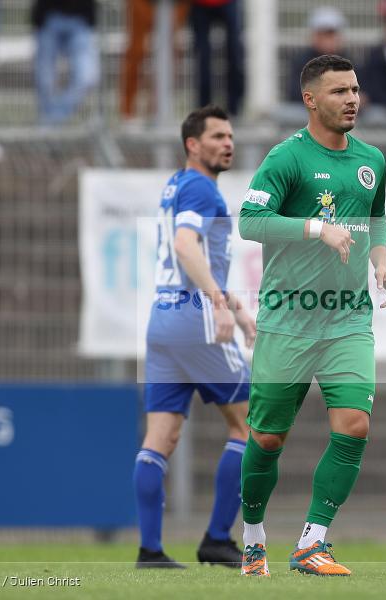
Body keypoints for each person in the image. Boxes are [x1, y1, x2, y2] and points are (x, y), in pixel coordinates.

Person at [237, 54, 386, 577]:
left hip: (348, 319)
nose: (351, 99)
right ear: (310, 99)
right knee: (267, 438)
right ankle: (254, 537)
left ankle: (313, 541)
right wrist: (315, 228)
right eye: (338, 92)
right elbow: (250, 221)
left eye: (354, 89)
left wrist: (382, 262)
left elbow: (375, 217)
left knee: (354, 424)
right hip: (288, 318)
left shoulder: (372, 158)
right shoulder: (287, 159)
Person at [136, 105, 256, 569]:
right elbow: (187, 246)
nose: (228, 143)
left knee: (161, 437)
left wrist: (239, 309)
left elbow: (194, 253)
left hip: (164, 318)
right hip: (195, 320)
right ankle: (217, 540)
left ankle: (150, 552)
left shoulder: (176, 185)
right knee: (253, 424)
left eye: (230, 136)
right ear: (193, 144)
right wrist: (219, 304)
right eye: (218, 136)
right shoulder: (201, 188)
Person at [119, 0, 189, 122]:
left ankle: (157, 109)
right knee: (137, 51)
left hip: (175, 4)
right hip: (143, 3)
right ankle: (127, 112)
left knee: (171, 56)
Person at [32, 0, 100, 125]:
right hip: (49, 17)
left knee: (86, 77)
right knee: (45, 80)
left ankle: (54, 118)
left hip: (81, 19)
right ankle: (48, 126)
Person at [190, 0, 244, 115]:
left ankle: (235, 108)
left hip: (229, 3)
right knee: (202, 57)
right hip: (200, 4)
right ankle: (204, 109)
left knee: (235, 52)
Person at [285, 7, 347, 102]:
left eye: (332, 34)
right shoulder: (301, 61)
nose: (329, 39)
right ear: (314, 36)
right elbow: (295, 93)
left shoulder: (348, 61)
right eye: (324, 34)